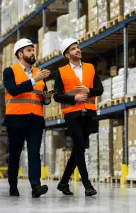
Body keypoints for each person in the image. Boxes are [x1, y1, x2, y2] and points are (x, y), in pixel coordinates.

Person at [53, 38, 103, 196]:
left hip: (88, 113)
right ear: (67, 55)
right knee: (80, 147)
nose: (78, 50)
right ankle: (87, 185)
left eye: (78, 47)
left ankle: (63, 182)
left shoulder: (90, 68)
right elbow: (57, 96)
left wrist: (89, 90)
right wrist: (73, 99)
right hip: (72, 115)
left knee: (78, 149)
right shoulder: (61, 72)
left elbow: (99, 89)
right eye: (73, 49)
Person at [3, 38, 52, 198]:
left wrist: (47, 98)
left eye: (33, 50)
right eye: (29, 50)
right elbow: (13, 90)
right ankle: (13, 186)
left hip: (35, 119)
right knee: (15, 154)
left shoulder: (39, 73)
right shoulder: (9, 71)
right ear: (20, 54)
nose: (33, 53)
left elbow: (42, 98)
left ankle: (35, 186)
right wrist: (34, 80)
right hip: (16, 119)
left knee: (34, 153)